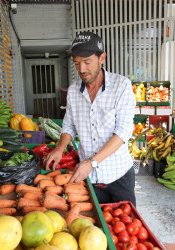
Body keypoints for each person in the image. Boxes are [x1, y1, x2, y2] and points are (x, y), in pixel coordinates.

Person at [44, 31, 136, 206]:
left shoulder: (121, 86)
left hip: (119, 175)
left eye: (87, 62)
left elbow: (123, 132)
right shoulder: (73, 91)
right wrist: (60, 148)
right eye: (77, 63)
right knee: (95, 229)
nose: (82, 69)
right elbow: (69, 125)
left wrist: (92, 162)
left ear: (102, 58)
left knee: (126, 225)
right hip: (90, 178)